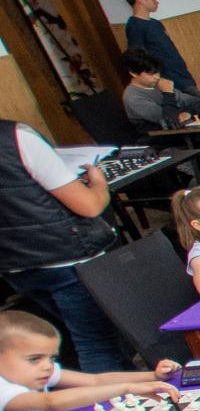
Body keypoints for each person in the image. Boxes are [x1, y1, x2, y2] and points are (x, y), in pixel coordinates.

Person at [0, 118, 127, 371]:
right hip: (66, 257)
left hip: (15, 265)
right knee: (96, 344)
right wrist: (98, 182)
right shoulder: (16, 137)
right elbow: (89, 206)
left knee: (87, 337)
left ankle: (131, 388)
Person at [0, 310, 177, 411]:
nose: (47, 366)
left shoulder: (36, 373)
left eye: (52, 358)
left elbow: (94, 381)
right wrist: (127, 388)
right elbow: (51, 401)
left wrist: (152, 375)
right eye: (34, 359)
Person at [119, 0, 198, 94]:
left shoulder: (155, 23)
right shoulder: (135, 26)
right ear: (140, 0)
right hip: (169, 80)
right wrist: (158, 80)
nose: (156, 2)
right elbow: (138, 57)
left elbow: (171, 52)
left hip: (183, 76)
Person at [121, 48, 200, 131]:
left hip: (185, 132)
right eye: (151, 74)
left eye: (158, 72)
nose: (157, 77)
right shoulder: (132, 97)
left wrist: (188, 113)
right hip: (164, 138)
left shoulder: (158, 84)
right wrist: (168, 93)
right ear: (133, 73)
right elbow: (171, 121)